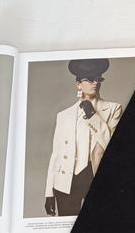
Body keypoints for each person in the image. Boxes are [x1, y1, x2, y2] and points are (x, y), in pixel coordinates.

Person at [44, 58, 123, 217]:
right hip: (65, 181)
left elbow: (112, 146)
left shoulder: (113, 109)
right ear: (78, 84)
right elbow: (56, 155)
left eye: (98, 79)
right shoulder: (63, 115)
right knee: (68, 225)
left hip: (94, 176)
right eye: (90, 79)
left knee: (97, 224)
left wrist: (92, 115)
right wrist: (49, 192)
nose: (95, 83)